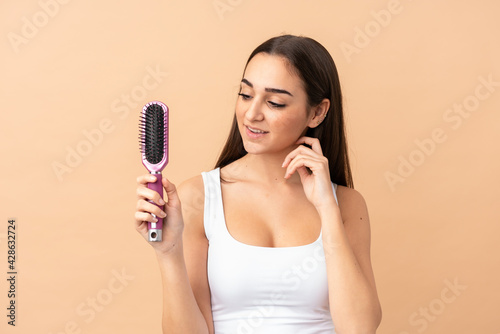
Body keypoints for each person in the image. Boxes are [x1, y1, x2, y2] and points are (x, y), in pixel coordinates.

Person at [135, 34, 382, 334]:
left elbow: (360, 328)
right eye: (245, 95)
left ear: (317, 112)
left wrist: (326, 208)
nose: (252, 114)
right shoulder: (198, 198)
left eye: (275, 102)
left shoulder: (346, 204)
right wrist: (168, 253)